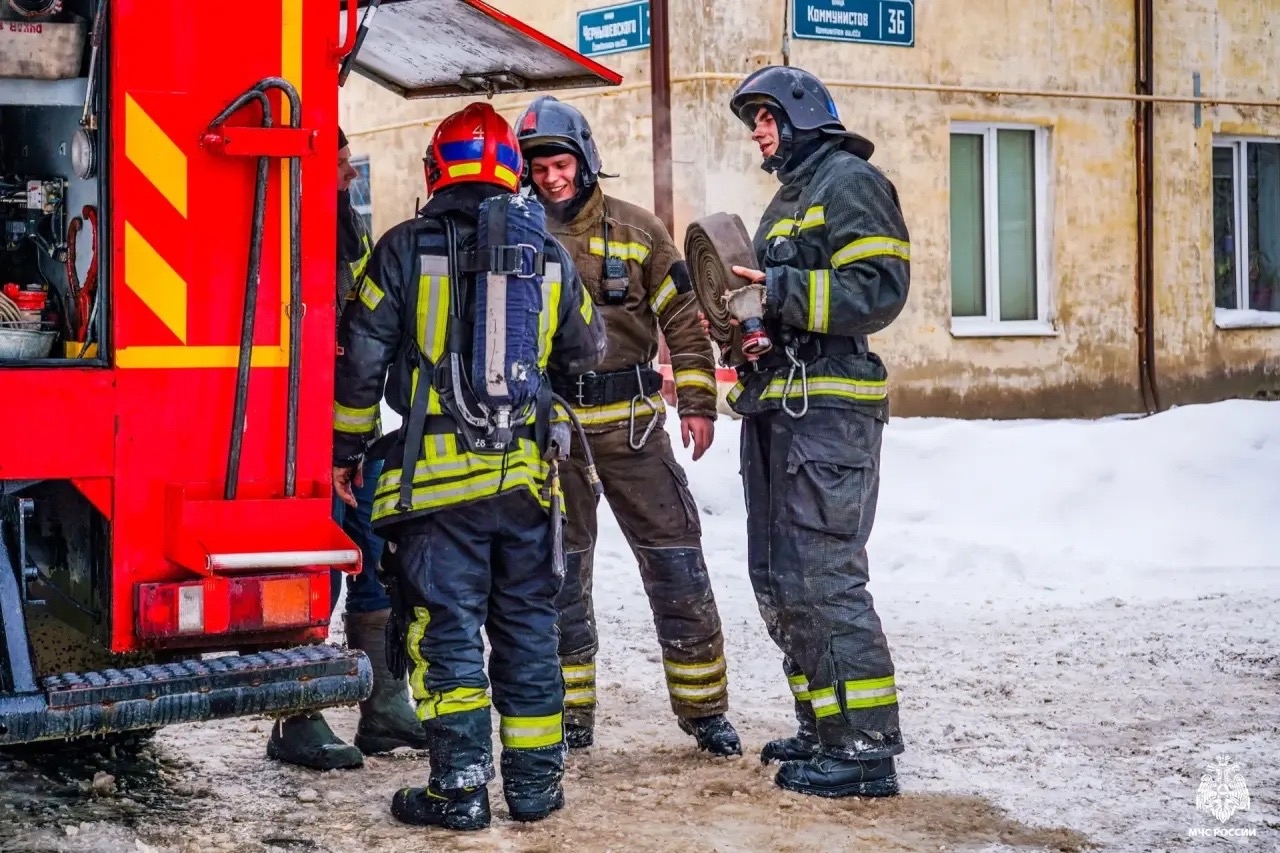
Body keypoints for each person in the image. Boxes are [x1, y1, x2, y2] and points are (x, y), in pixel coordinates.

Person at [331, 102, 607, 830]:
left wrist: (346, 453)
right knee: (525, 627)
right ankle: (537, 787)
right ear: (513, 174)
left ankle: (459, 788)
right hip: (525, 485)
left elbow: (358, 365)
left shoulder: (398, 248)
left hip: (435, 490)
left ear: (434, 171)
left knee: (444, 628)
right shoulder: (546, 253)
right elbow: (587, 352)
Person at [513, 95, 742, 757]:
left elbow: (685, 323)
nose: (550, 177)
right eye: (538, 167)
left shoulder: (639, 231)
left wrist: (697, 402)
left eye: (559, 163)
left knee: (677, 565)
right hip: (553, 437)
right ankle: (569, 714)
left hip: (635, 433)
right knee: (559, 577)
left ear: (584, 160)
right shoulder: (519, 231)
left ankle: (705, 711)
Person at [717, 65, 910, 797]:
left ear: (802, 113)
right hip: (783, 409)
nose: (759, 133)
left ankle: (865, 749)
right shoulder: (790, 198)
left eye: (766, 117)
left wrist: (780, 293)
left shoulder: (849, 182)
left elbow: (880, 290)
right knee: (780, 575)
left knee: (824, 576)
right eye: (754, 122)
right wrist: (748, 328)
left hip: (829, 414)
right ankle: (827, 725)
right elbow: (779, 306)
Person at [266, 126, 429, 771]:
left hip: (349, 431)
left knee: (376, 561)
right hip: (299, 431)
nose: (349, 174)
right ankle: (298, 718)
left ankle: (385, 708)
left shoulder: (345, 231)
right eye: (338, 163)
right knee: (316, 572)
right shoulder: (288, 228)